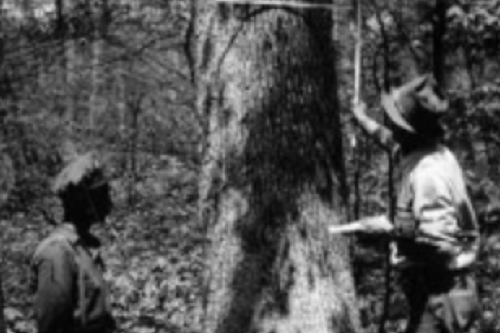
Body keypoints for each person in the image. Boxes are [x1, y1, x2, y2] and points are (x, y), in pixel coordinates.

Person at [350, 74, 481, 333]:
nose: (391, 125)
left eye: (396, 122)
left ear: (410, 130)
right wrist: (362, 119)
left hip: (442, 294)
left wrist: (386, 233)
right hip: (438, 294)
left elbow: (439, 248)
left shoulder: (428, 174)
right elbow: (388, 140)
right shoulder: (419, 151)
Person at [31, 152, 116, 333]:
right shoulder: (57, 252)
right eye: (102, 195)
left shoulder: (85, 247)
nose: (109, 203)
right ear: (84, 202)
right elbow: (52, 326)